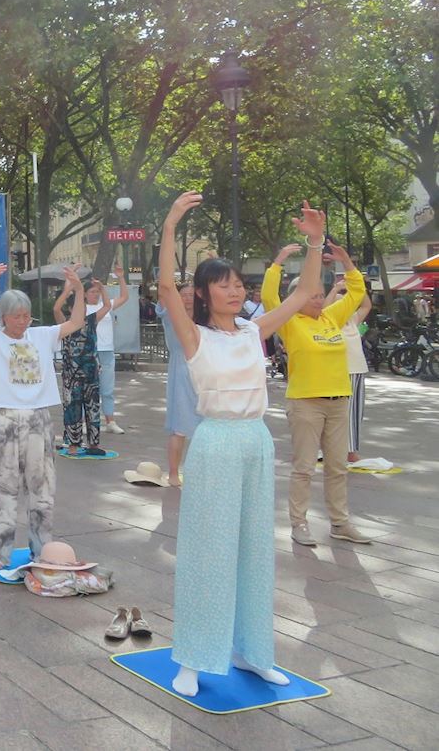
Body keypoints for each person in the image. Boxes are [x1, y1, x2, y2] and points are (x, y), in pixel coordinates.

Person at [158, 192, 325, 697]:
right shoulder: (195, 337)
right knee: (208, 550)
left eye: (238, 284)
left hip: (256, 440)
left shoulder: (255, 330)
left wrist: (315, 242)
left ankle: (252, 652)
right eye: (223, 284)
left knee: (254, 551)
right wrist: (170, 224)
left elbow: (306, 291)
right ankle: (192, 657)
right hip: (214, 442)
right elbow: (164, 286)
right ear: (203, 293)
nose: (234, 290)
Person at [0, 263, 86, 569]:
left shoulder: (42, 336)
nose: (22, 321)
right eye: (16, 316)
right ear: (3, 317)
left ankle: (42, 550)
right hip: (5, 419)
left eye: (26, 316)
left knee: (42, 488)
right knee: (1, 487)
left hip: (38, 419)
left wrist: (78, 289)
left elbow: (76, 321)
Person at [263, 241, 369, 546]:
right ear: (297, 298)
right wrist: (278, 262)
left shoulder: (331, 317)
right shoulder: (290, 323)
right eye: (313, 296)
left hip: (339, 402)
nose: (319, 300)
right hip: (306, 403)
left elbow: (357, 293)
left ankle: (340, 523)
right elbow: (270, 297)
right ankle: (299, 523)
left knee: (337, 467)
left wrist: (347, 262)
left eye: (321, 295)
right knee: (305, 468)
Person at [54, 279, 109, 455]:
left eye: (84, 307)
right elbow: (56, 309)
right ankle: (73, 445)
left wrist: (102, 289)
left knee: (93, 409)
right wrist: (68, 290)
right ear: (71, 309)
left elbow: (107, 306)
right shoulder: (65, 324)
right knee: (72, 409)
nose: (83, 310)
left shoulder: (91, 320)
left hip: (91, 373)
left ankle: (94, 445)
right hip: (71, 376)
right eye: (79, 307)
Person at [157, 283, 200, 485]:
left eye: (192, 294)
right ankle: (173, 473)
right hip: (181, 370)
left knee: (206, 425)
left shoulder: (205, 317)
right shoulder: (170, 315)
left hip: (204, 370)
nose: (188, 298)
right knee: (179, 425)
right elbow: (163, 292)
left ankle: (199, 473)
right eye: (184, 295)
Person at [326, 278, 371, 462]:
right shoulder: (329, 322)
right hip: (342, 372)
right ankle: (348, 451)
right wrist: (335, 289)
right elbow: (324, 308)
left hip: (358, 370)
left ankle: (350, 448)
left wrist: (357, 286)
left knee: (356, 411)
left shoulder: (353, 320)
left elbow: (366, 305)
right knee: (345, 413)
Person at [89, 268, 129, 434]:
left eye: (97, 291)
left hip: (106, 351)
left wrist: (121, 278)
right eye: (92, 292)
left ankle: (110, 421)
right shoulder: (82, 308)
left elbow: (124, 297)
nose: (96, 294)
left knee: (107, 389)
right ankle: (87, 421)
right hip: (90, 352)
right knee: (89, 389)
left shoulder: (105, 305)